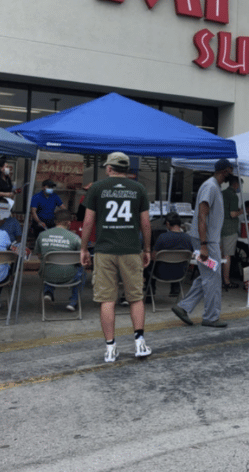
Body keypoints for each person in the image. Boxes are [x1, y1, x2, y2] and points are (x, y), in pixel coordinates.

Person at [81, 152, 152, 362]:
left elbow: (87, 222)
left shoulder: (97, 188)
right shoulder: (139, 189)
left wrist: (84, 248)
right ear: (127, 169)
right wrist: (147, 249)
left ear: (110, 168)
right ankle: (140, 343)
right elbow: (145, 224)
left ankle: (111, 348)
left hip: (104, 251)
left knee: (107, 300)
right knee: (135, 297)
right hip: (131, 250)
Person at [172, 159, 234, 328]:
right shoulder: (211, 187)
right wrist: (205, 245)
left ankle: (183, 307)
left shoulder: (214, 187)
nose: (232, 173)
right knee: (212, 278)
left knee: (207, 276)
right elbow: (202, 216)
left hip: (206, 240)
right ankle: (211, 317)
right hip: (203, 240)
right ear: (224, 171)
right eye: (230, 170)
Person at [36, 208, 84, 312]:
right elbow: (81, 256)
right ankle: (74, 302)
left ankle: (48, 292)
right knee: (82, 269)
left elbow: (39, 255)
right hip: (69, 276)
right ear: (68, 222)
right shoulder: (74, 238)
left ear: (55, 221)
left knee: (48, 263)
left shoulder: (42, 235)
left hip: (47, 275)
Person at [147, 212, 193, 299]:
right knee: (177, 262)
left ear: (168, 223)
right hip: (180, 273)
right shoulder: (188, 238)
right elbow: (192, 255)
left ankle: (150, 292)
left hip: (161, 273)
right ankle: (175, 288)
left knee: (148, 264)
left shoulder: (162, 237)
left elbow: (153, 257)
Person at [221, 175, 242, 290]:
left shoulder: (222, 193)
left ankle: (218, 278)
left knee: (219, 255)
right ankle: (227, 280)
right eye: (240, 185)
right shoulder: (233, 196)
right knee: (227, 256)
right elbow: (233, 214)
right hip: (229, 229)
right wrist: (241, 211)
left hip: (220, 228)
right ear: (236, 184)